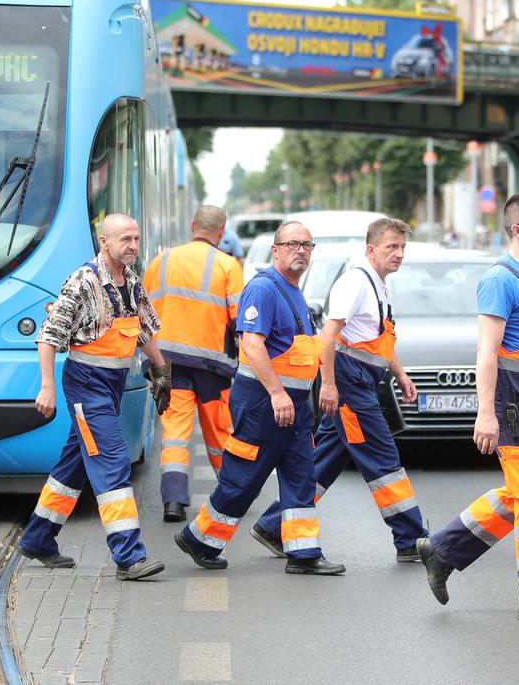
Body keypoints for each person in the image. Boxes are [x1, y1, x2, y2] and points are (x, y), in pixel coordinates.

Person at [417, 191, 519, 624]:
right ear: (517, 229)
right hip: (516, 401)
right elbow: (487, 352)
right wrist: (485, 413)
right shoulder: (500, 280)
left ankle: (442, 548)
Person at [251, 217, 426, 564]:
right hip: (349, 384)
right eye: (392, 246)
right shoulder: (356, 283)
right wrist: (329, 386)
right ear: (371, 249)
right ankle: (411, 539)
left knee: (324, 462)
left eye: (403, 247)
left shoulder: (380, 283)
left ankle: (274, 525)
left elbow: (378, 342)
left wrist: (401, 375)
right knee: (382, 459)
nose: (399, 254)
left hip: (359, 381)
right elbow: (329, 337)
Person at [176, 221, 345, 576]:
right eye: (292, 244)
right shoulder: (264, 289)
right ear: (276, 249)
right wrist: (277, 393)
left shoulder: (295, 292)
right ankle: (199, 537)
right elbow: (251, 345)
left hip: (293, 407)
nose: (300, 250)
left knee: (301, 475)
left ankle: (303, 552)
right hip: (264, 403)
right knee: (244, 478)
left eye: (306, 245)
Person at [18, 213, 173, 582]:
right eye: (125, 239)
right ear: (105, 242)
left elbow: (144, 329)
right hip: (86, 384)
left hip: (113, 383)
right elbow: (48, 336)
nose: (133, 246)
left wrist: (162, 370)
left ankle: (39, 538)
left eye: (136, 239)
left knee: (75, 462)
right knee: (111, 458)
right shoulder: (83, 281)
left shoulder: (131, 281)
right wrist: (47, 387)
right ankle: (128, 555)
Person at [143, 205, 244, 522]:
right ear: (222, 232)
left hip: (165, 362)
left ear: (192, 225)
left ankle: (174, 500)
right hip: (211, 366)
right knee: (219, 431)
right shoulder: (228, 266)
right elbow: (239, 320)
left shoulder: (161, 261)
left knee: (174, 432)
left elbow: (142, 309)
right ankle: (231, 495)